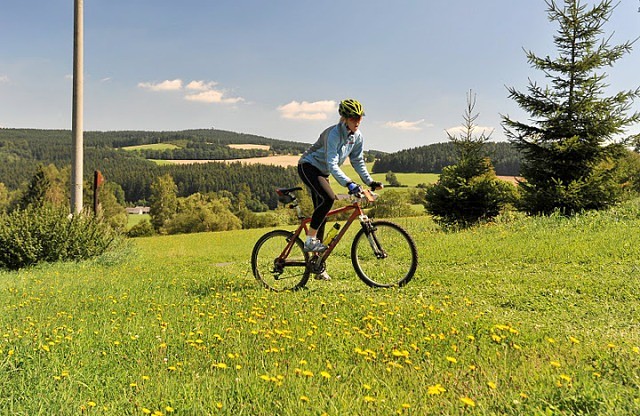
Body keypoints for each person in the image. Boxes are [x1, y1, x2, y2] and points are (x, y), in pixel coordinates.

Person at [298, 98, 382, 280]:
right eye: (353, 118)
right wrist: (348, 183)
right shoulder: (333, 134)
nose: (357, 121)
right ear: (344, 118)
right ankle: (310, 240)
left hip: (323, 172)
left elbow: (357, 161)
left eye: (360, 118)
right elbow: (332, 163)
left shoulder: (357, 137)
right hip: (308, 166)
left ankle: (317, 265)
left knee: (322, 216)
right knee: (329, 198)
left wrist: (370, 181)